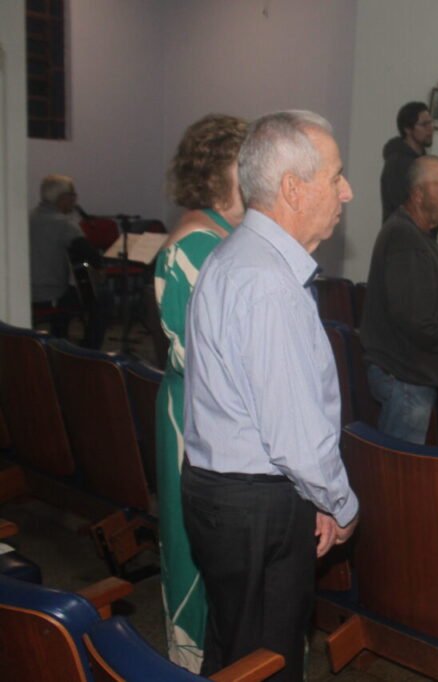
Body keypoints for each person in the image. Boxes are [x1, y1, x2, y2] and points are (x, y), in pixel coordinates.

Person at [182, 110, 359, 680]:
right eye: (335, 177)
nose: (347, 191)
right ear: (292, 188)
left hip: (223, 493)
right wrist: (340, 502)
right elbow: (293, 433)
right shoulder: (266, 282)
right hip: (255, 502)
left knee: (235, 651)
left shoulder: (236, 257)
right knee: (267, 663)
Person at [153, 113, 247, 672]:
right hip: (198, 420)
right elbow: (212, 361)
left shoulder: (222, 236)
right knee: (197, 555)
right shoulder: (197, 244)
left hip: (202, 411)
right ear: (219, 171)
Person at [361, 155, 438, 444]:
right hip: (406, 378)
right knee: (399, 477)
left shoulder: (413, 233)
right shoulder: (407, 240)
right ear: (417, 194)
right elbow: (418, 322)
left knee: (395, 471)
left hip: (403, 374)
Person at [29, 174, 110, 348]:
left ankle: (59, 338)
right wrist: (101, 269)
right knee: (103, 297)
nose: (75, 201)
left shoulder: (29, 216)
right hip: (52, 293)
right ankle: (89, 350)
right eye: (73, 196)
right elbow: (89, 253)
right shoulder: (64, 223)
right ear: (62, 198)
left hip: (25, 291)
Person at [379, 101, 438, 233]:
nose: (431, 129)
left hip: (423, 238)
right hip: (403, 238)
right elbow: (409, 205)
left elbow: (432, 197)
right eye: (424, 124)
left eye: (431, 122)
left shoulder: (423, 161)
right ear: (408, 129)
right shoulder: (397, 164)